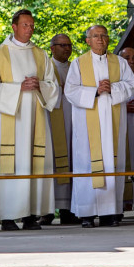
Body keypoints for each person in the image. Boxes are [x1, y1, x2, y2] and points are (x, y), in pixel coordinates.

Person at [0, 9, 60, 230]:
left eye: (31, 25)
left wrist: (40, 86)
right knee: (10, 165)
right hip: (8, 120)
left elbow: (53, 86)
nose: (29, 29)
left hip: (34, 121)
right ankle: (7, 217)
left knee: (32, 164)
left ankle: (30, 216)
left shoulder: (40, 54)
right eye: (25, 25)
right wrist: (18, 88)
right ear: (14, 27)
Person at [64, 25, 134, 228]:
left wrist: (112, 88)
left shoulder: (119, 62)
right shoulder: (78, 63)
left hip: (113, 124)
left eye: (104, 35)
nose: (100, 39)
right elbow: (70, 91)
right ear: (88, 40)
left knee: (112, 163)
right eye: (95, 36)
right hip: (87, 126)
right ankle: (86, 213)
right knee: (87, 164)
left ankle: (110, 212)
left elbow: (131, 85)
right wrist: (95, 92)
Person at [41, 33, 79, 225]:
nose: (67, 48)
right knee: (51, 163)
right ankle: (46, 211)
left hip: (74, 123)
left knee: (72, 161)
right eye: (62, 45)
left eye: (69, 45)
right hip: (52, 122)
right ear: (52, 48)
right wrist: (57, 90)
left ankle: (68, 210)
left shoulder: (76, 68)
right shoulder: (45, 67)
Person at [118, 46, 134, 215]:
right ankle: (123, 202)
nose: (131, 61)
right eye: (127, 58)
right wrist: (123, 107)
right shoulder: (115, 80)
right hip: (122, 126)